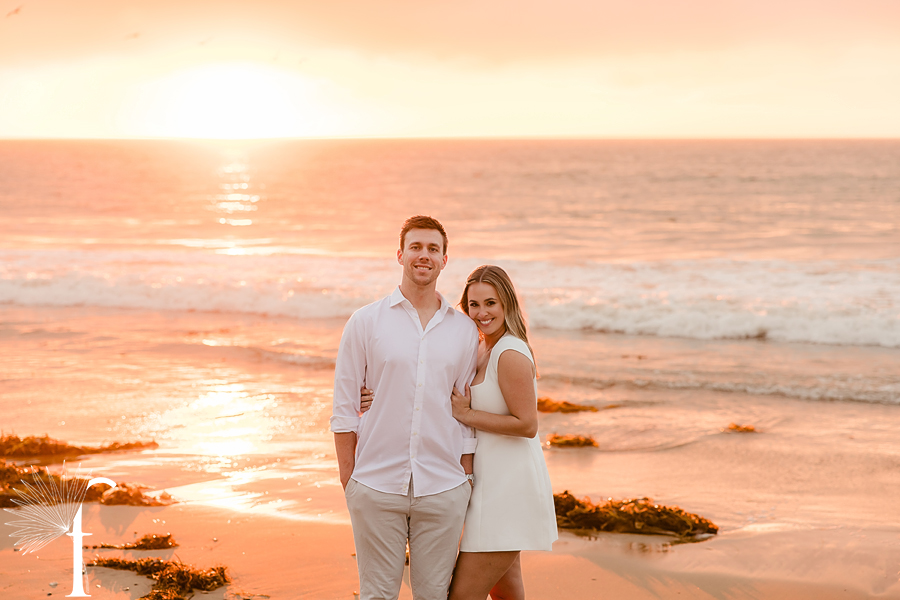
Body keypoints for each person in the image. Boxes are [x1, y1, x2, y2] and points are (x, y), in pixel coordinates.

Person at [361, 265, 558, 600]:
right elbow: (432, 391)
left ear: (507, 303)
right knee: (507, 591)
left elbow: (527, 425)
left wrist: (469, 414)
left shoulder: (510, 352)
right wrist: (376, 395)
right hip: (487, 487)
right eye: (473, 305)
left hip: (507, 491)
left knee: (461, 596)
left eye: (491, 303)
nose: (481, 313)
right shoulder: (482, 348)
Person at [331, 215, 479, 600]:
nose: (424, 255)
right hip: (376, 484)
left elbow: (463, 411)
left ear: (445, 259)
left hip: (443, 486)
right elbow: (344, 406)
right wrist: (350, 478)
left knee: (434, 595)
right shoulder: (365, 322)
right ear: (400, 254)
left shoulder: (463, 330)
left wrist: (464, 479)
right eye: (415, 247)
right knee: (378, 594)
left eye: (433, 248)